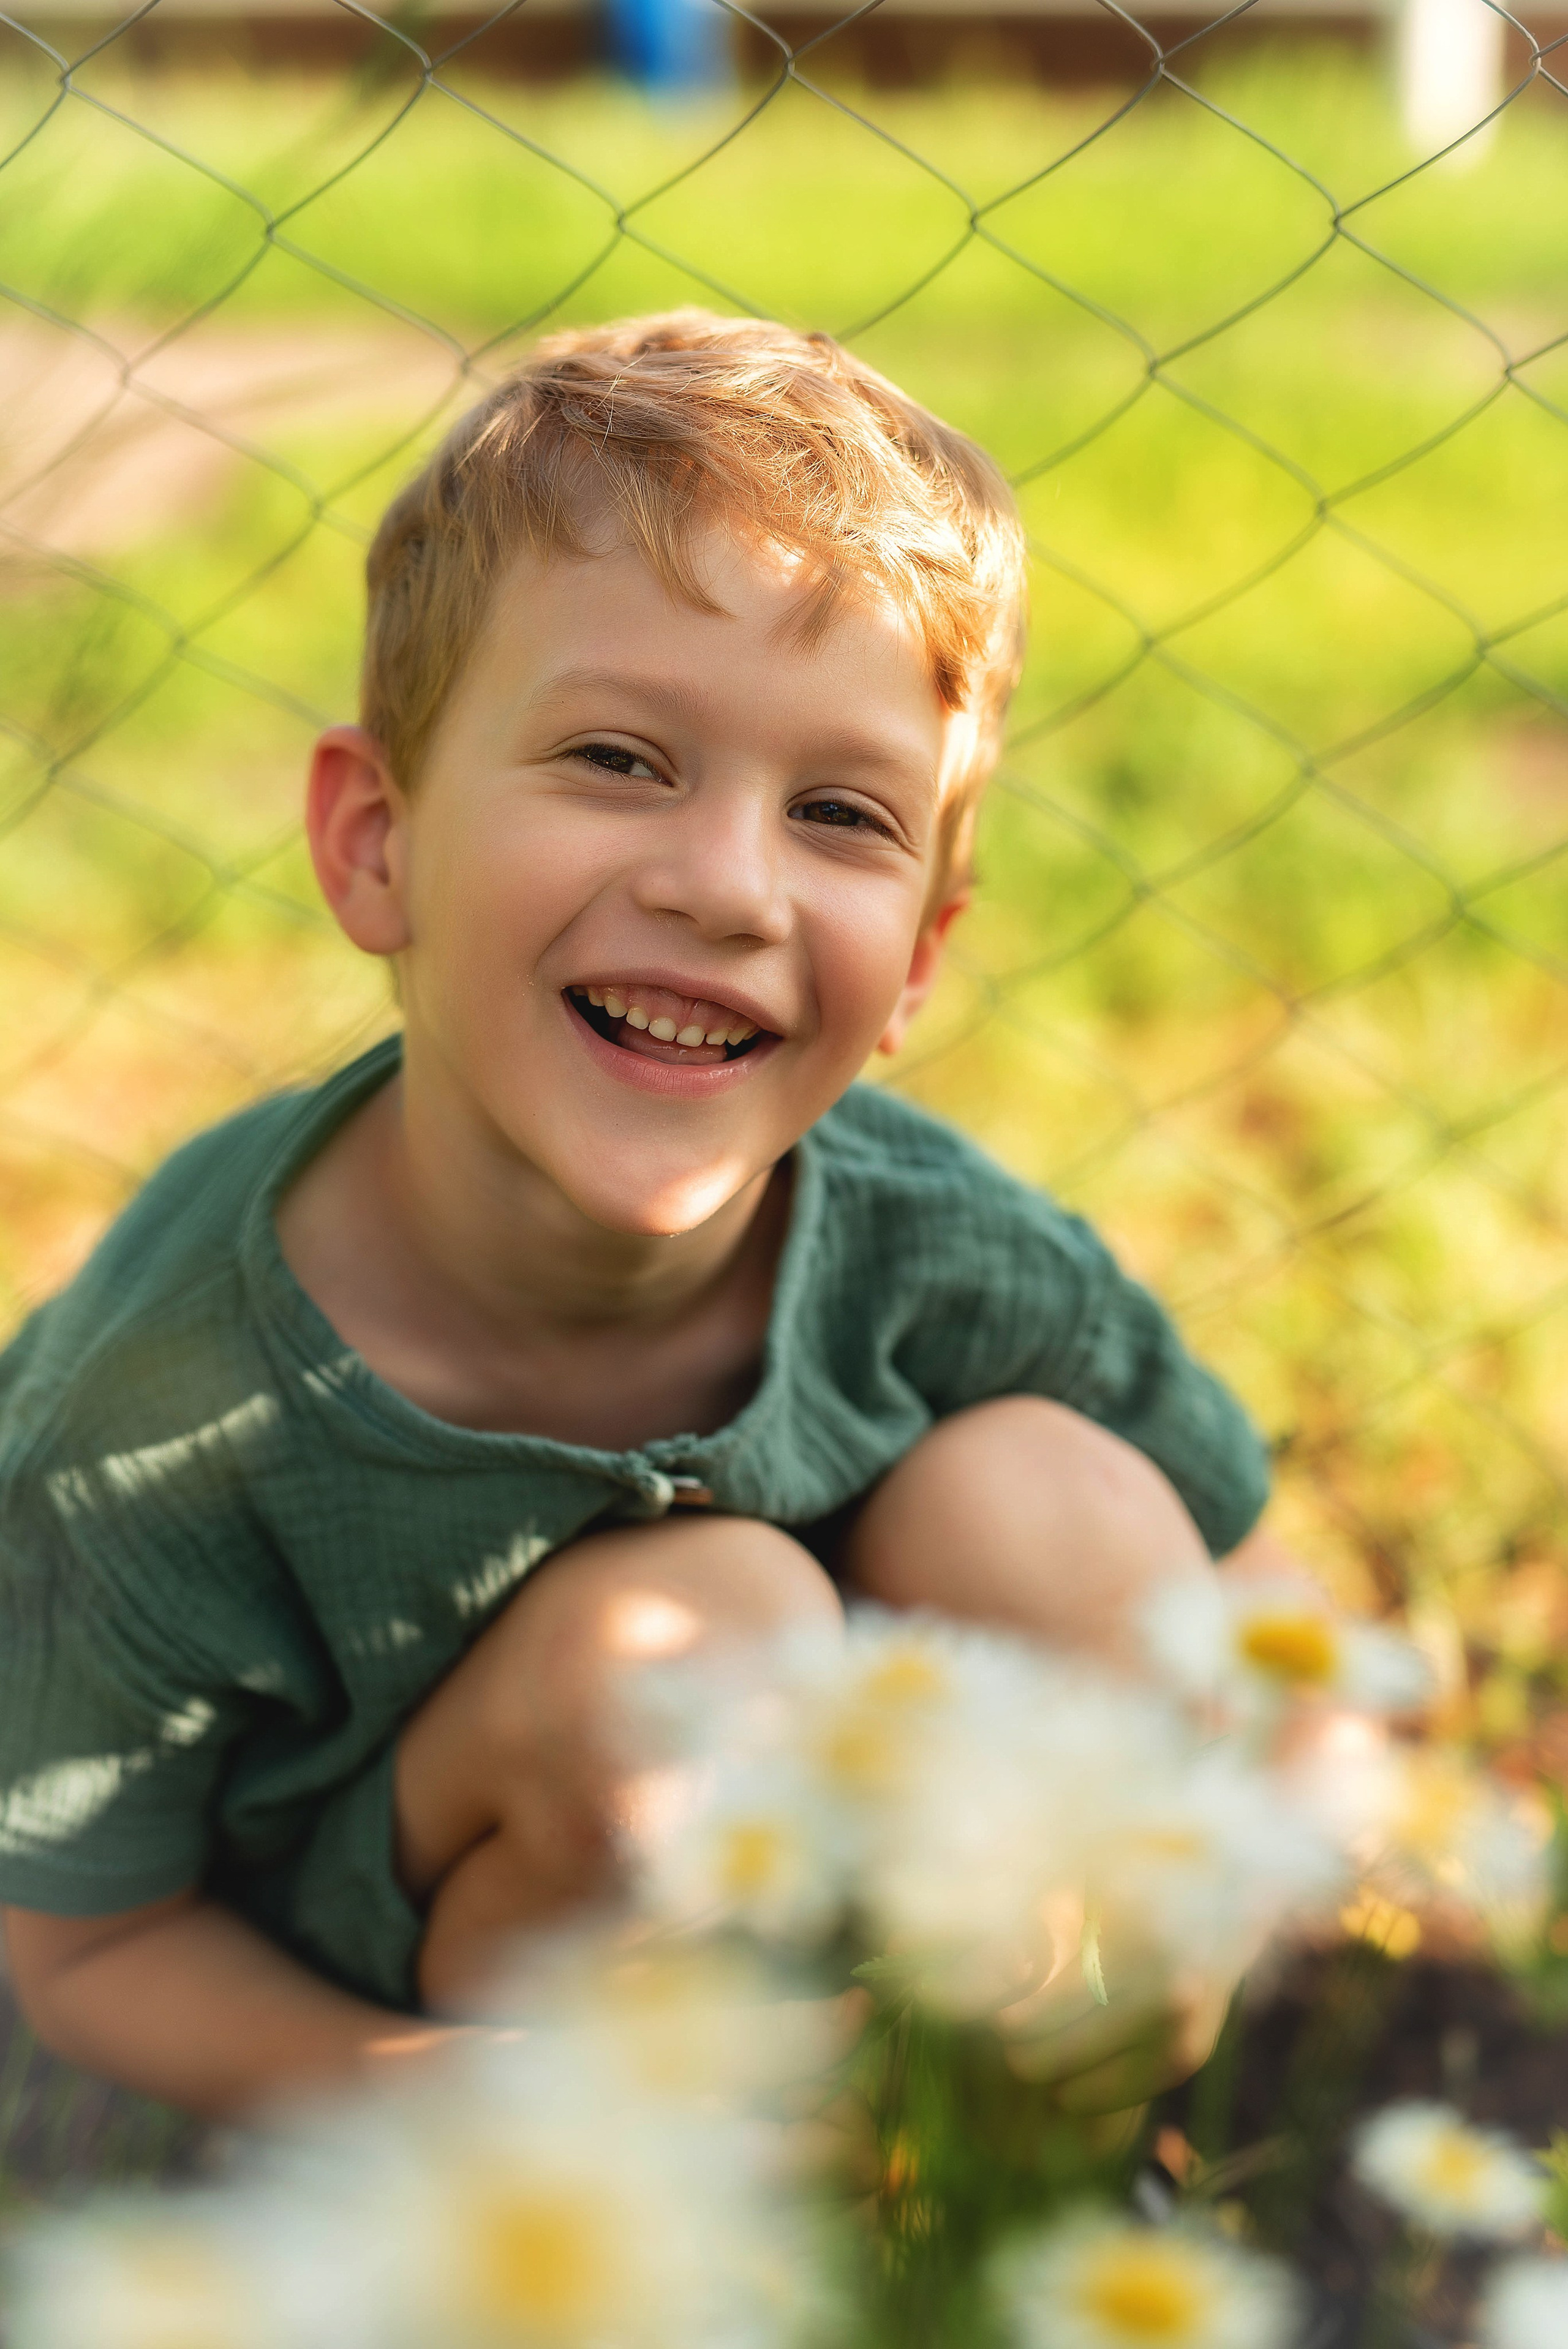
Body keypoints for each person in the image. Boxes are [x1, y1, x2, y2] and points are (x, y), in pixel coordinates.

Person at [0, 311, 1273, 2124]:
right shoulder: (158, 1404)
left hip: (838, 1931)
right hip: (422, 2034)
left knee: (1063, 1516)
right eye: (618, 759)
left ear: (918, 955)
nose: (729, 887)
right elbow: (83, 1955)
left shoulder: (934, 1242)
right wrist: (470, 2103)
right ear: (376, 842)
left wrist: (1222, 1882)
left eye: (839, 812)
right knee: (694, 1644)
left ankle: (1038, 2171)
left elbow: (1249, 1601)